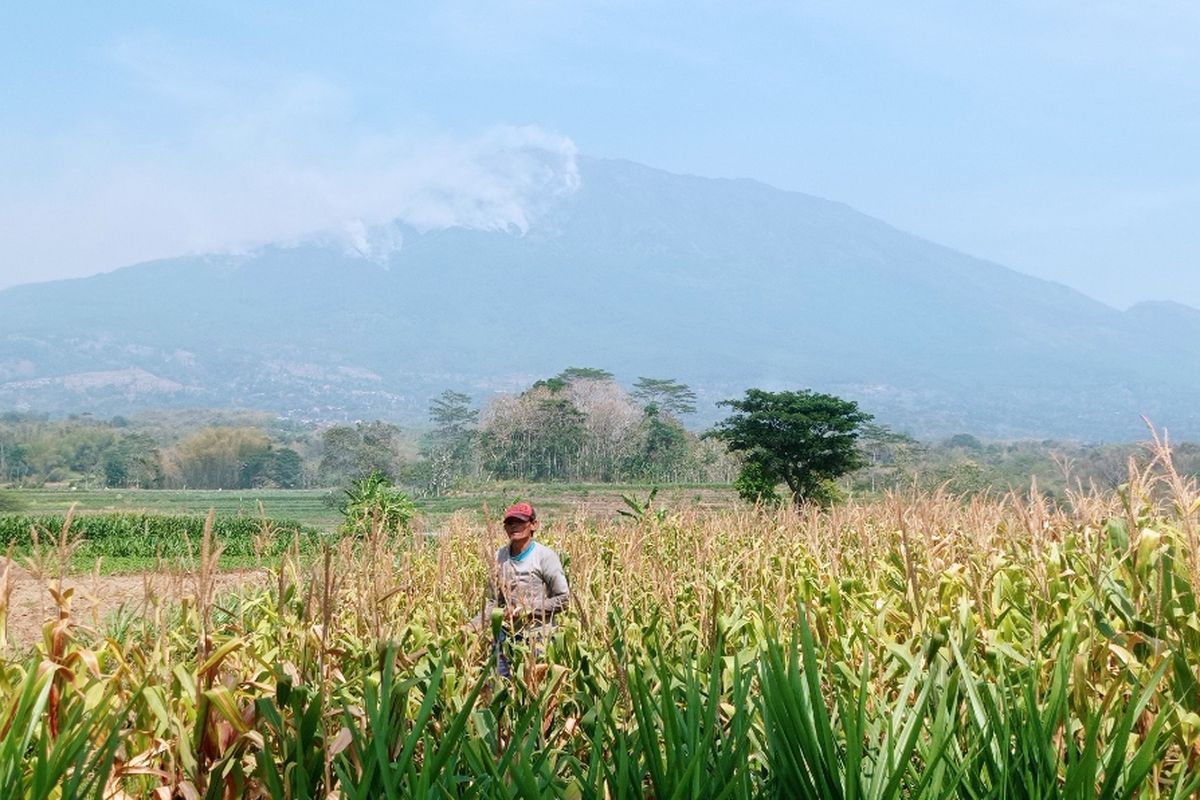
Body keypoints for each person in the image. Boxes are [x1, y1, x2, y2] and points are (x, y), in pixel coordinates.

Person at [482, 501, 569, 677]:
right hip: (505, 636)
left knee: (533, 691)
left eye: (520, 521)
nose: (514, 526)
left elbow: (563, 599)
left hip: (537, 637)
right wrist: (474, 626)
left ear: (534, 525)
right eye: (510, 522)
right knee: (499, 686)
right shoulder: (498, 556)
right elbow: (492, 602)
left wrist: (528, 609)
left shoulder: (545, 557)